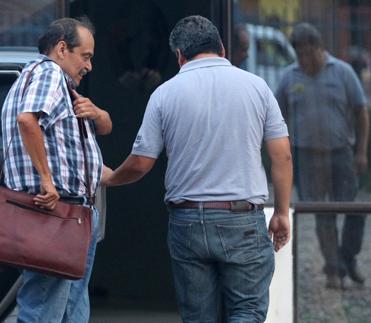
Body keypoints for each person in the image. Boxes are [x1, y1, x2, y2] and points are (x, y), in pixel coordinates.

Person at [102, 15, 292, 322]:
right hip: (241, 219)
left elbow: (140, 162)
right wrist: (281, 213)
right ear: (222, 48)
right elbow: (282, 156)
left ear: (179, 55)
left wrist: (111, 178)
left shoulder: (164, 93)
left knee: (198, 317)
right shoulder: (257, 87)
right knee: (246, 312)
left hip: (187, 221)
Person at [0, 17, 112, 322]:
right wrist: (47, 181)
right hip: (55, 213)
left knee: (69, 308)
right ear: (62, 48)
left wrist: (99, 116)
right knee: (44, 310)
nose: (88, 66)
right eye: (85, 56)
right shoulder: (49, 73)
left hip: (70, 215)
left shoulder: (38, 77)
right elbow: (28, 120)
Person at [275, 23, 369, 289]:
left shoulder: (342, 72)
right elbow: (275, 113)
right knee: (322, 213)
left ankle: (348, 258)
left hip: (342, 153)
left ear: (320, 48)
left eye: (309, 53)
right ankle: (333, 269)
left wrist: (361, 151)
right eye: (300, 55)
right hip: (307, 156)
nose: (305, 60)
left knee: (353, 211)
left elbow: (361, 112)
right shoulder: (289, 77)